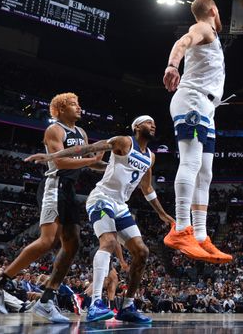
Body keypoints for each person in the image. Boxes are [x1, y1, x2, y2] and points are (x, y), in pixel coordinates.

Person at [25, 115, 174, 324]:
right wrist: (53, 156)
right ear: (137, 127)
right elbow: (87, 149)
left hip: (121, 206)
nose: (154, 124)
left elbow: (146, 187)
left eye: (154, 122)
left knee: (142, 252)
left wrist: (160, 212)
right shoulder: (123, 141)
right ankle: (95, 303)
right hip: (102, 198)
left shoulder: (150, 156)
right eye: (149, 122)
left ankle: (128, 306)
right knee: (109, 242)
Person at [0, 93, 103, 323]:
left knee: (73, 243)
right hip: (54, 184)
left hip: (70, 190)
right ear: (61, 108)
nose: (80, 108)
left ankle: (46, 300)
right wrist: (92, 157)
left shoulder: (81, 133)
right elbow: (60, 162)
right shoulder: (55, 130)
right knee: (47, 240)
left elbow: (94, 162)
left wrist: (114, 165)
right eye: (75, 105)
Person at [163, 0, 232, 263]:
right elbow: (183, 41)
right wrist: (172, 65)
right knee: (191, 163)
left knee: (205, 172)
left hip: (206, 106)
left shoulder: (211, 34)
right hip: (192, 99)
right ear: (213, 10)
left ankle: (200, 235)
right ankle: (181, 228)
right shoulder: (203, 27)